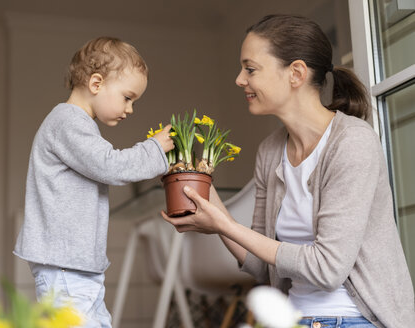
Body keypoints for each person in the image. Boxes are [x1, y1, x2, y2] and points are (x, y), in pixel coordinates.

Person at [162, 15, 415, 328]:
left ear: (296, 73)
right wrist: (204, 193)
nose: (240, 80)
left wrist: (226, 225)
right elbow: (259, 265)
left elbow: (327, 270)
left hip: (353, 319)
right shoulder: (271, 151)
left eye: (250, 69)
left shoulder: (352, 142)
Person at [14, 37, 174, 328]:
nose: (130, 109)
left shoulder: (77, 124)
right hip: (65, 267)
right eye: (128, 97)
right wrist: (153, 149)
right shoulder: (67, 122)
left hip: (75, 267)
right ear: (96, 83)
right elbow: (109, 165)